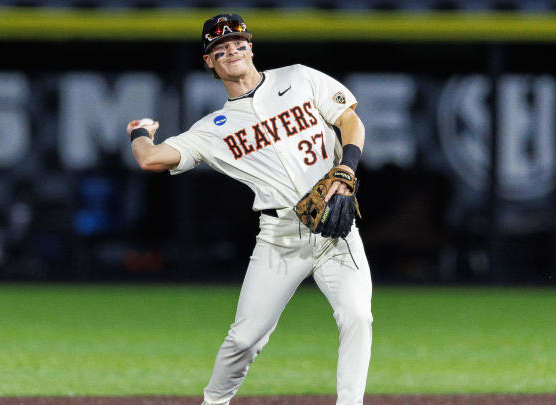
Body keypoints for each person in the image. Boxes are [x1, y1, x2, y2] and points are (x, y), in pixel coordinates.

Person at [128, 13, 373, 405]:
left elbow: (349, 120)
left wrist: (346, 169)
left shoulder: (298, 77)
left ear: (251, 48)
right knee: (244, 339)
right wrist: (140, 133)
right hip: (279, 237)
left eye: (238, 43)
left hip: (334, 229)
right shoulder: (213, 128)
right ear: (209, 62)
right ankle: (214, 403)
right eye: (220, 48)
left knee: (358, 317)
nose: (231, 51)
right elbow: (151, 159)